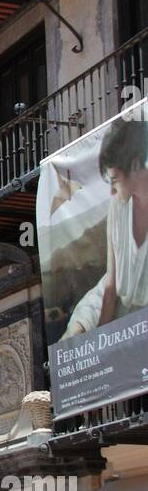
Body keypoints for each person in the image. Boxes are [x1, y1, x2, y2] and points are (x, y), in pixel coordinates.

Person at [64, 116, 148, 335]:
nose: (111, 191)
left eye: (114, 180)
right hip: (118, 300)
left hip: (141, 313)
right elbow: (110, 287)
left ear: (137, 164)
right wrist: (101, 343)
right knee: (73, 332)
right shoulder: (118, 206)